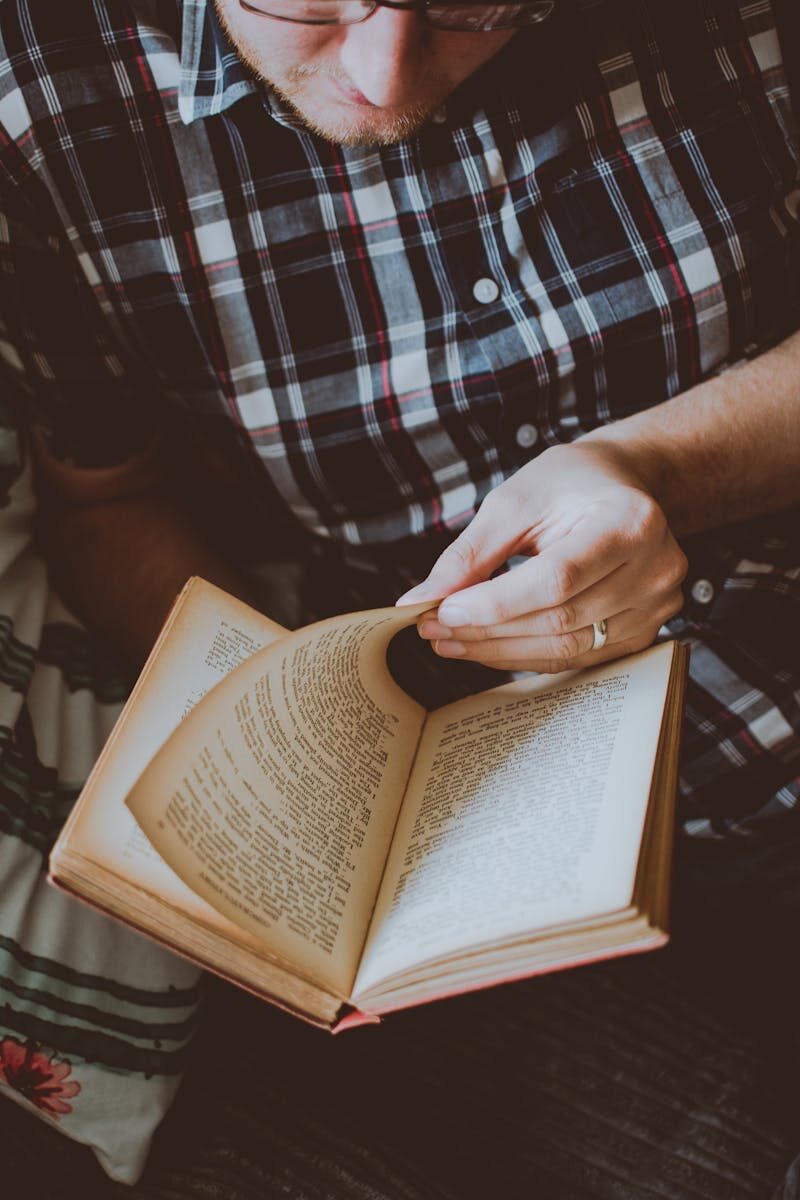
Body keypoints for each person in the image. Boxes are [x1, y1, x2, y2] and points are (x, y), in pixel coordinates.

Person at [0, 0, 799, 1193]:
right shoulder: (42, 85)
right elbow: (108, 497)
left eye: (474, 7)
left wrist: (656, 470)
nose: (382, 74)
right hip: (483, 833)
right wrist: (280, 726)